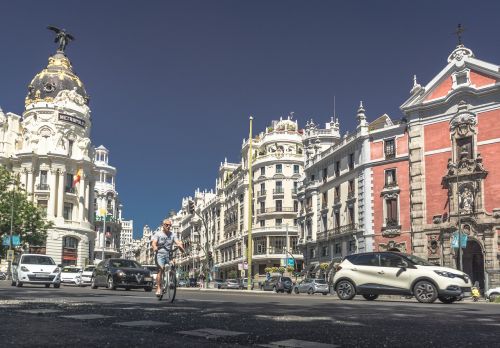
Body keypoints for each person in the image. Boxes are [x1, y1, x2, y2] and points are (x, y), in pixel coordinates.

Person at [152, 219, 185, 296]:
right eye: (167, 225)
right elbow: (154, 243)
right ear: (163, 225)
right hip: (159, 255)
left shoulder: (172, 235)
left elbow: (178, 242)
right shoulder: (158, 234)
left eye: (170, 225)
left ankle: (168, 279)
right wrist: (155, 247)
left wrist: (180, 246)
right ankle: (159, 288)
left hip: (169, 254)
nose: (168, 226)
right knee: (160, 270)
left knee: (172, 267)